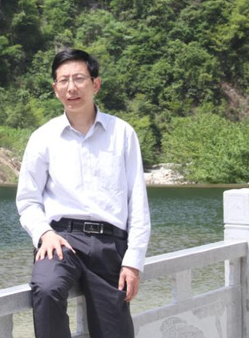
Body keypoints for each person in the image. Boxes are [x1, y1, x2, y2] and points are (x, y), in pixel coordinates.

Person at [16, 48, 151, 338]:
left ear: (95, 84)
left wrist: (134, 261)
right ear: (55, 88)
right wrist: (44, 233)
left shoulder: (122, 133)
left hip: (110, 244)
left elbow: (138, 203)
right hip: (61, 240)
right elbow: (28, 201)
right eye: (63, 80)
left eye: (79, 79)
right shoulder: (43, 138)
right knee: (47, 289)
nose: (71, 88)